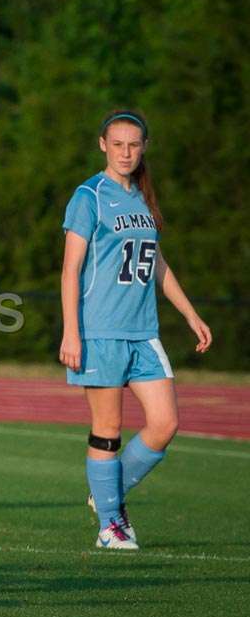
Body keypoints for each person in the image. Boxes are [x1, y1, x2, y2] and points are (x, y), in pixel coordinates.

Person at [59, 110, 212, 551]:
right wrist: (72, 333)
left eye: (134, 144)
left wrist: (189, 314)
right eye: (118, 144)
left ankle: (108, 495)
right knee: (108, 429)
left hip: (143, 332)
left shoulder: (142, 200)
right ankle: (110, 526)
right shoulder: (89, 196)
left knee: (165, 423)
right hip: (100, 332)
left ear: (144, 147)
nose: (126, 152)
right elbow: (70, 270)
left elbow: (157, 265)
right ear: (103, 145)